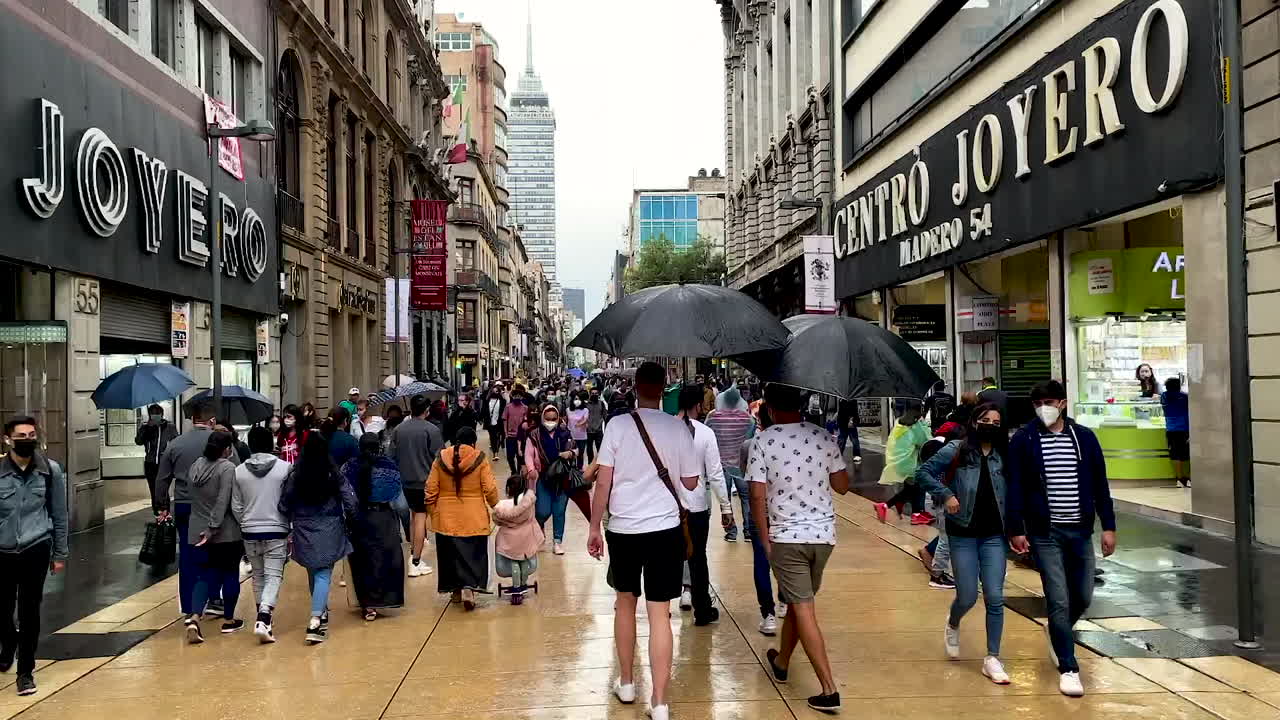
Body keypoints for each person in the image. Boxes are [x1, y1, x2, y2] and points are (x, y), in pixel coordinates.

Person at [587, 362, 700, 720]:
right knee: (659, 614)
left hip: (624, 530)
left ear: (635, 387)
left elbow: (603, 481)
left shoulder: (618, 425)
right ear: (664, 387)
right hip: (665, 529)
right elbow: (693, 482)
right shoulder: (678, 428)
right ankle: (661, 702)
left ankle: (626, 682)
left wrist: (593, 527)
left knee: (624, 603)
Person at [1007, 380, 1117, 698]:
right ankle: (1068, 667)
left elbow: (1100, 485)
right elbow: (1015, 485)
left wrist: (1108, 526)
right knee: (1058, 598)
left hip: (1081, 530)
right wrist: (1016, 528)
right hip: (1045, 532)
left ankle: (1058, 631)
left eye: (1050, 401)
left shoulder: (1084, 438)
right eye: (1038, 402)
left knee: (1082, 596)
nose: (1044, 407)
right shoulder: (1025, 439)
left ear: (1063, 403)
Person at [749, 383, 849, 713]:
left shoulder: (763, 440)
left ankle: (828, 688)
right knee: (797, 600)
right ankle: (782, 661)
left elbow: (757, 496)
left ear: (771, 408)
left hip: (787, 538)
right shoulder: (823, 436)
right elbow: (843, 486)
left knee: (803, 606)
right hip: (823, 538)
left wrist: (764, 540)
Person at [915, 403, 1012, 685]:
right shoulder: (957, 449)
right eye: (985, 420)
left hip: (995, 534)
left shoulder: (1004, 454)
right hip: (963, 534)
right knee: (968, 595)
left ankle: (993, 657)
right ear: (974, 421)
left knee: (995, 596)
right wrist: (945, 494)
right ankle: (953, 622)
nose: (990, 425)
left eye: (996, 421)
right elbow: (924, 473)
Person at [0, 417, 69, 697]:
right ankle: (8, 642)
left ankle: (25, 672)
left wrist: (60, 553)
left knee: (30, 612)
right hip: (1, 551)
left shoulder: (50, 471)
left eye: (31, 434)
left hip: (35, 547)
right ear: (7, 440)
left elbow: (60, 515)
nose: (27, 439)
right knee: (2, 610)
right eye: (21, 435)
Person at [279, 432, 357, 645]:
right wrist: (351, 518)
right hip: (330, 526)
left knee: (313, 571)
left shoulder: (297, 474)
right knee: (324, 573)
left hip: (304, 527)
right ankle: (315, 619)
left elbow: (285, 502)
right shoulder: (333, 473)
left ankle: (320, 612)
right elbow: (350, 499)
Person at [155, 402, 225, 619]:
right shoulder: (219, 443)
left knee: (187, 557)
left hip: (184, 505)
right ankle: (214, 598)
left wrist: (162, 506)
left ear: (192, 420)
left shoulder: (175, 444)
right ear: (212, 421)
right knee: (215, 554)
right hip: (213, 506)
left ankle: (187, 607)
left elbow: (162, 480)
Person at [675, 385, 732, 626]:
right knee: (698, 558)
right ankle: (702, 609)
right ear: (698, 405)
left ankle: (660, 608)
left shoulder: (664, 429)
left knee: (666, 558)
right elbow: (716, 473)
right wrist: (726, 507)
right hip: (696, 506)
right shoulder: (706, 433)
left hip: (668, 507)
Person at [426, 427, 499, 610]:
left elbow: (430, 489)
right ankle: (470, 588)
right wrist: (496, 506)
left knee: (450, 556)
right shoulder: (480, 458)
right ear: (473, 442)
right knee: (473, 555)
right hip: (473, 516)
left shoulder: (440, 457)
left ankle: (455, 590)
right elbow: (489, 488)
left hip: (446, 517)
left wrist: (433, 512)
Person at [231, 426, 291, 644]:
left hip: (249, 530)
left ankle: (262, 616)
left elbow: (236, 505)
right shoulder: (285, 469)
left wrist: (245, 522)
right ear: (271, 444)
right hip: (277, 528)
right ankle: (264, 616)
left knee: (258, 575)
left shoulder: (238, 471)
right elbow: (288, 500)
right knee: (274, 574)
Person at [185, 430, 244, 643]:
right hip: (224, 532)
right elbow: (223, 500)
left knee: (202, 575)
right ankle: (229, 618)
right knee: (229, 573)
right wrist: (213, 527)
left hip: (196, 530)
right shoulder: (227, 468)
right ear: (227, 449)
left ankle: (194, 616)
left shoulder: (195, 466)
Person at [342, 433, 405, 621]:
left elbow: (345, 495)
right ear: (379, 446)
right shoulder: (389, 466)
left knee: (362, 561)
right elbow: (399, 502)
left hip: (359, 517)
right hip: (383, 517)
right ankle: (384, 599)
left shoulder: (348, 467)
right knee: (386, 559)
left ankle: (367, 604)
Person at [390, 394, 443, 578]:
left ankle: (415, 554)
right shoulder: (431, 430)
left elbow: (391, 456)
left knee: (414, 519)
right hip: (425, 481)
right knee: (420, 519)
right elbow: (440, 457)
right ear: (427, 410)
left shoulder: (398, 429)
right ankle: (415, 560)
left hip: (404, 481)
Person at [740, 405, 780, 636]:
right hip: (784, 514)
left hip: (760, 513)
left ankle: (769, 614)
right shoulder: (796, 442)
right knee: (786, 561)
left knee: (761, 563)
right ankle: (785, 599)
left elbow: (749, 479)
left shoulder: (751, 445)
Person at [915, 421, 968, 590]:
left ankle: (942, 574)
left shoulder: (941, 450)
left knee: (949, 537)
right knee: (946, 538)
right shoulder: (951, 451)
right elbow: (924, 474)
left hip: (942, 499)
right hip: (945, 501)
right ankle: (937, 575)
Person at [524, 404, 577, 555]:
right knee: (542, 511)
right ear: (542, 418)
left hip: (562, 478)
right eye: (548, 419)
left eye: (554, 419)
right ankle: (539, 530)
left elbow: (575, 450)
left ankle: (557, 542)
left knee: (559, 511)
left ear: (558, 418)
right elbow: (528, 454)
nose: (551, 421)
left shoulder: (565, 433)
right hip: (543, 478)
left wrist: (570, 454)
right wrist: (531, 469)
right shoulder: (534, 435)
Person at [706, 385, 755, 543]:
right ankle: (748, 531)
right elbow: (751, 439)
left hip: (721, 465)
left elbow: (707, 435)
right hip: (741, 465)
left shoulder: (713, 417)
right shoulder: (748, 419)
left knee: (725, 499)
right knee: (746, 498)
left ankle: (731, 532)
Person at [874, 400, 931, 524]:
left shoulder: (899, 423)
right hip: (909, 463)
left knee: (911, 487)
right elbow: (925, 441)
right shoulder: (915, 426)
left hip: (900, 462)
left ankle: (909, 508)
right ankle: (887, 506)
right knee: (915, 488)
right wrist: (924, 425)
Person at [494, 473, 543, 605]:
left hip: (508, 539)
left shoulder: (503, 506)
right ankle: (522, 584)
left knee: (513, 560)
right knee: (524, 560)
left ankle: (516, 587)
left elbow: (496, 520)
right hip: (526, 537)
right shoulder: (529, 502)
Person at [135, 404, 178, 513]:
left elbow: (176, 443)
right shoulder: (145, 427)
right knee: (154, 492)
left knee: (163, 491)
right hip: (150, 464)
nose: (155, 416)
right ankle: (158, 515)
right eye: (153, 414)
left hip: (165, 464)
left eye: (157, 413)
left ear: (162, 414)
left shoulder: (170, 427)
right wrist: (148, 428)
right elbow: (138, 441)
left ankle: (166, 515)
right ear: (149, 415)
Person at [1161, 377, 1191, 487]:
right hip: (1185, 429)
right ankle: (1188, 478)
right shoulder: (1185, 397)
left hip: (1171, 429)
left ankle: (1179, 479)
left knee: (1176, 455)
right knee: (1187, 455)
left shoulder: (1164, 396)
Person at [484, 384, 507, 461]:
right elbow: (484, 411)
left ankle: (496, 452)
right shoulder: (487, 401)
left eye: (497, 391)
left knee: (497, 437)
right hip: (490, 423)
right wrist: (480, 418)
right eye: (494, 391)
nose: (495, 393)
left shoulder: (502, 401)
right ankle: (495, 452)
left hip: (499, 422)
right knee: (493, 437)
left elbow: (504, 411)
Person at [835, 399, 863, 464]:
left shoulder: (852, 399)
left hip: (850, 422)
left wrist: (852, 420)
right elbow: (840, 411)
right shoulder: (841, 399)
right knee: (842, 440)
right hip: (843, 422)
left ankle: (856, 455)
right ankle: (839, 455)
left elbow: (854, 411)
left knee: (853, 439)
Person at [567, 392, 591, 470]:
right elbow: (566, 420)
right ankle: (571, 470)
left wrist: (580, 423)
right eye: (575, 399)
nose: (577, 400)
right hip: (571, 436)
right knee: (571, 454)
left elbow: (585, 419)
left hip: (582, 436)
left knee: (580, 454)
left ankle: (580, 469)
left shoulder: (585, 410)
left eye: (579, 399)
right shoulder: (568, 410)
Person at [585, 389, 607, 463]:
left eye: (596, 393)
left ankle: (599, 464)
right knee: (589, 449)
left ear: (599, 394)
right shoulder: (586, 404)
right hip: (588, 431)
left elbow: (605, 416)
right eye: (592, 393)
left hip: (598, 430)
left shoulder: (601, 404)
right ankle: (590, 464)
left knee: (600, 449)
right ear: (590, 394)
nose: (594, 394)